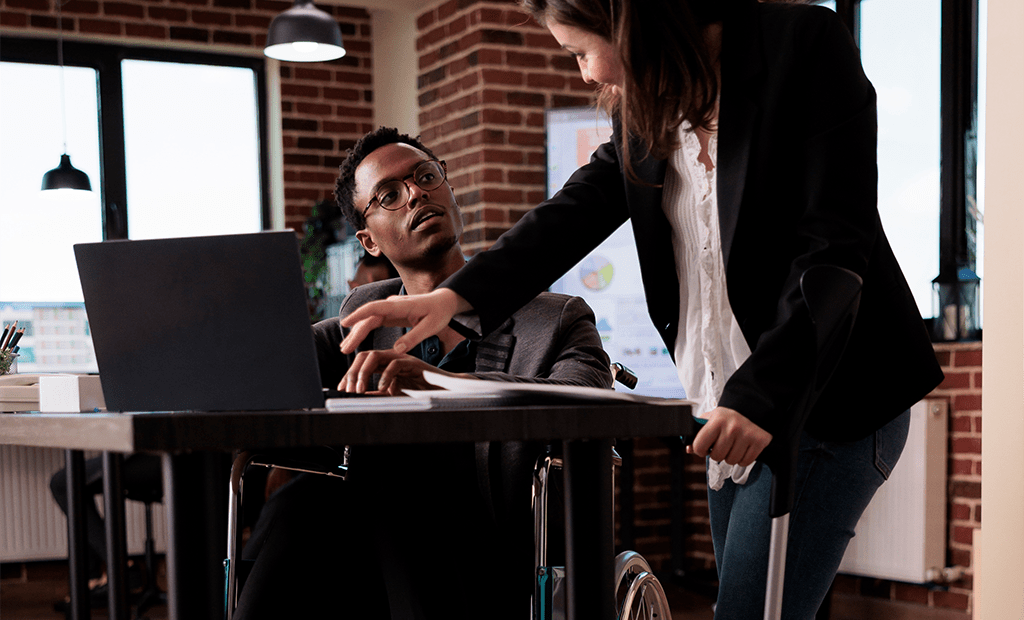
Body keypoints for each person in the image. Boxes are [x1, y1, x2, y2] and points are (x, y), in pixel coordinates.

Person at [337, 2, 945, 619]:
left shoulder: (804, 44)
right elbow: (573, 214)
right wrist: (452, 298)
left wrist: (763, 396)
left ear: (624, 20)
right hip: (728, 398)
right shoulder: (645, 107)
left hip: (825, 392)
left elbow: (833, 248)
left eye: (581, 51)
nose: (585, 74)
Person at [232, 126, 611, 620]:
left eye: (426, 176)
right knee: (299, 503)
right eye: (389, 194)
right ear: (368, 240)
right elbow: (263, 368)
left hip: (498, 551)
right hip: (372, 556)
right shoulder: (366, 316)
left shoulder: (554, 317)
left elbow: (591, 399)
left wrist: (439, 383)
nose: (415, 193)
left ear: (449, 190)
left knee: (384, 479)